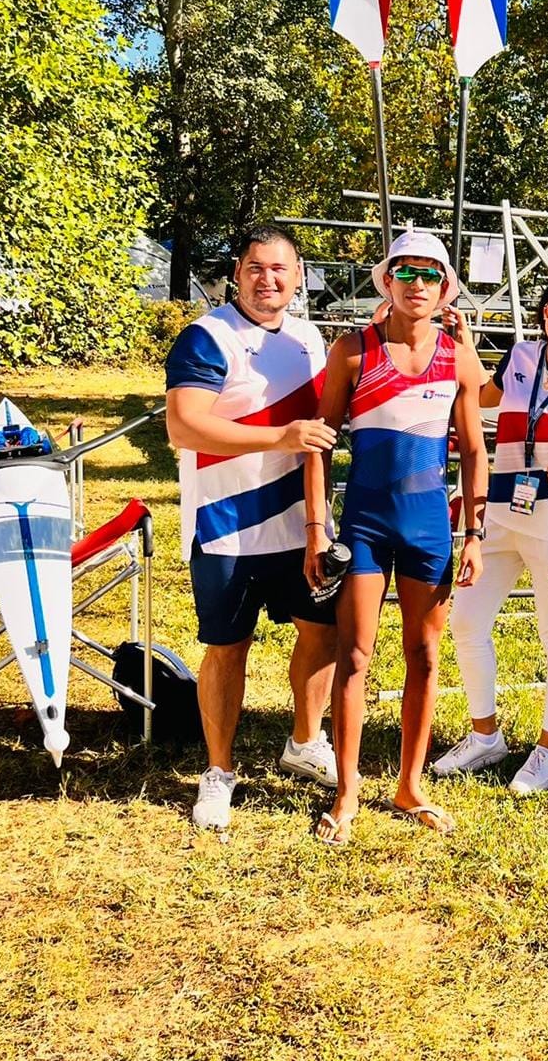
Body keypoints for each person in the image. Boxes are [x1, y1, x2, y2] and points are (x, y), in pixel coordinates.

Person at [305, 229, 487, 845]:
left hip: (430, 527)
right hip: (364, 525)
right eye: (404, 272)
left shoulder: (458, 357)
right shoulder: (353, 351)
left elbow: (474, 453)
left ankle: (409, 785)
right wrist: (315, 528)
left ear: (445, 289)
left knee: (426, 657)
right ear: (386, 281)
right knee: (353, 656)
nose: (416, 284)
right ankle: (348, 788)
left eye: (429, 275)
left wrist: (473, 534)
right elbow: (320, 444)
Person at [165, 224, 340, 832]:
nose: (269, 280)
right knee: (226, 648)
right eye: (256, 268)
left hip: (300, 523)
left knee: (323, 633)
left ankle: (304, 740)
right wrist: (279, 436)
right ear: (237, 273)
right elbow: (184, 428)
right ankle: (218, 772)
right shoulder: (207, 337)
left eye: (280, 269)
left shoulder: (309, 337)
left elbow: (322, 430)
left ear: (298, 276)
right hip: (226, 525)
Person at [433, 273, 548, 793]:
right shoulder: (520, 356)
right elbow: (481, 396)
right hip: (498, 515)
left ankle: (547, 751)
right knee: (467, 622)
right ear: (542, 312)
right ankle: (485, 736)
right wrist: (465, 345)